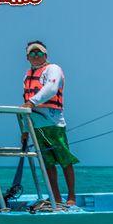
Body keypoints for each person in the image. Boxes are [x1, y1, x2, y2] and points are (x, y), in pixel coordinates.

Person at [19, 40, 80, 207]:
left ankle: (71, 197)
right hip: (35, 125)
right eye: (32, 53)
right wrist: (25, 130)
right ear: (27, 57)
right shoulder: (27, 76)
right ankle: (56, 198)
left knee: (64, 160)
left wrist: (32, 102)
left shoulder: (53, 69)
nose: (36, 56)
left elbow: (50, 89)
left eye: (39, 53)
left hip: (54, 123)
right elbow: (25, 103)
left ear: (45, 55)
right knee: (47, 163)